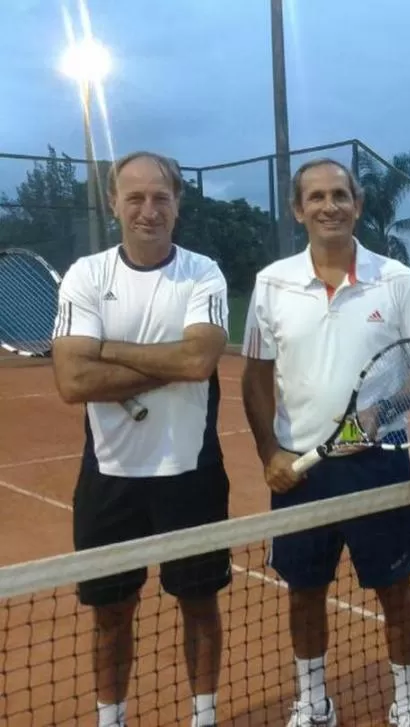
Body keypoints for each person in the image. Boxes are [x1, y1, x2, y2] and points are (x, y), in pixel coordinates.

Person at [240, 158, 410, 727]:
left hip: (378, 466)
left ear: (357, 204)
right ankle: (313, 701)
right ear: (299, 210)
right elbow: (255, 375)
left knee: (395, 590)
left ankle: (405, 703)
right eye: (317, 197)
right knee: (303, 592)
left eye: (341, 195)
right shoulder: (271, 283)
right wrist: (269, 454)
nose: (330, 206)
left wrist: (384, 411)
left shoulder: (396, 280)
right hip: (301, 471)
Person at [51, 151, 232, 727]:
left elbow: (202, 358)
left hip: (191, 472)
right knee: (111, 611)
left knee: (199, 603)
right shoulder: (87, 274)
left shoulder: (203, 273)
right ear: (114, 204)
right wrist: (173, 363)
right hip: (109, 478)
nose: (148, 210)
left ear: (177, 204)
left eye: (160, 197)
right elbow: (73, 380)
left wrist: (103, 347)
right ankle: (113, 719)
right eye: (135, 198)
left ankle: (203, 716)